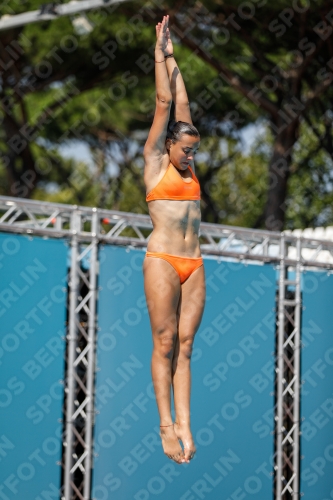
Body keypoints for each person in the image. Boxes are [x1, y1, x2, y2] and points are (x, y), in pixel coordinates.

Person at [143, 15, 206, 465]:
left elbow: (182, 99)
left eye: (194, 150)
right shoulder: (155, 161)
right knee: (163, 342)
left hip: (194, 262)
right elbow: (166, 101)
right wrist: (157, 53)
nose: (190, 155)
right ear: (168, 146)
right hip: (163, 258)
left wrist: (173, 54)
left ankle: (186, 422)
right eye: (185, 149)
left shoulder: (188, 166)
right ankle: (166, 426)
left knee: (185, 346)